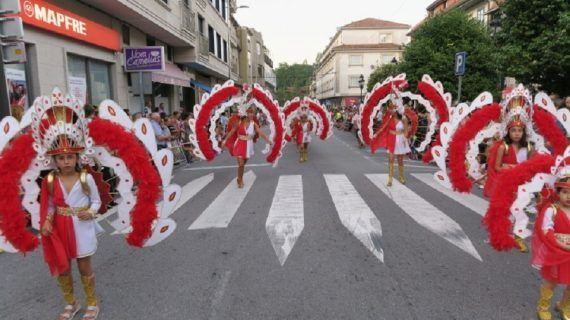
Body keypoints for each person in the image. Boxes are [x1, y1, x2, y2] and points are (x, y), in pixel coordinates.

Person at [532, 177, 570, 320]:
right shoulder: (552, 210)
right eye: (565, 192)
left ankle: (564, 306)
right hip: (556, 251)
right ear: (558, 193)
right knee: (552, 280)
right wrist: (562, 244)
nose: (569, 196)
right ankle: (543, 306)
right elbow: (546, 230)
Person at [223, 108, 271, 188]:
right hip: (239, 144)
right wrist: (224, 141)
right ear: (245, 114)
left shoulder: (253, 123)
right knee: (241, 164)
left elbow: (260, 132)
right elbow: (231, 132)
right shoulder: (238, 123)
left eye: (252, 113)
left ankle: (239, 176)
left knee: (243, 164)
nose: (252, 115)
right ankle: (240, 179)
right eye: (249, 113)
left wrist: (268, 140)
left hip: (249, 145)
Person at [372, 101, 411, 186]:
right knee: (391, 159)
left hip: (400, 140)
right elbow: (383, 127)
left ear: (397, 110)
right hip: (391, 140)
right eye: (390, 109)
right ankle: (390, 179)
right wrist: (376, 134)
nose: (391, 110)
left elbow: (406, 131)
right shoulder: (390, 118)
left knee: (400, 160)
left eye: (392, 109)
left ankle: (401, 177)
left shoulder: (404, 118)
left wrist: (405, 139)